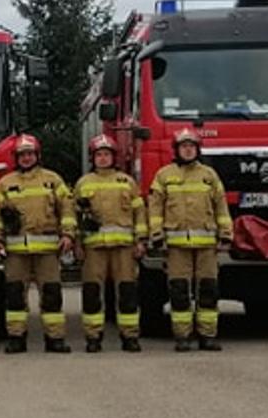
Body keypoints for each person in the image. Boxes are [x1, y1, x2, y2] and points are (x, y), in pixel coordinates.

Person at [147, 128, 232, 352]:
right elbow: (155, 208)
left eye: (191, 146)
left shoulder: (209, 175)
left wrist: (226, 234)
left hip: (207, 245)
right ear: (176, 150)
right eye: (183, 146)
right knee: (179, 290)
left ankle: (208, 335)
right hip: (176, 246)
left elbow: (221, 207)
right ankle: (182, 336)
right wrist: (156, 234)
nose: (187, 150)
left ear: (197, 149)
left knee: (208, 290)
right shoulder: (164, 176)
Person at [0, 134, 76, 354]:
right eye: (22, 155)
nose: (26, 158)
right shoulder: (5, 184)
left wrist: (68, 235)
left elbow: (66, 209)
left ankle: (55, 338)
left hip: (47, 251)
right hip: (16, 252)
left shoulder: (53, 180)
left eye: (30, 154)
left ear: (37, 155)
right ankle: (16, 338)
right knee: (15, 296)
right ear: (16, 158)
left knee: (52, 295)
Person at [76, 133, 149, 353]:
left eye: (107, 154)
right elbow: (74, 216)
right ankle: (93, 336)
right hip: (93, 249)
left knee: (127, 292)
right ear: (92, 158)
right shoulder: (83, 183)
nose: (103, 158)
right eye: (99, 154)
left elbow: (140, 214)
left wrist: (141, 241)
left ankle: (130, 337)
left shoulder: (127, 182)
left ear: (114, 157)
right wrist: (78, 243)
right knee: (92, 292)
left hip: (124, 249)